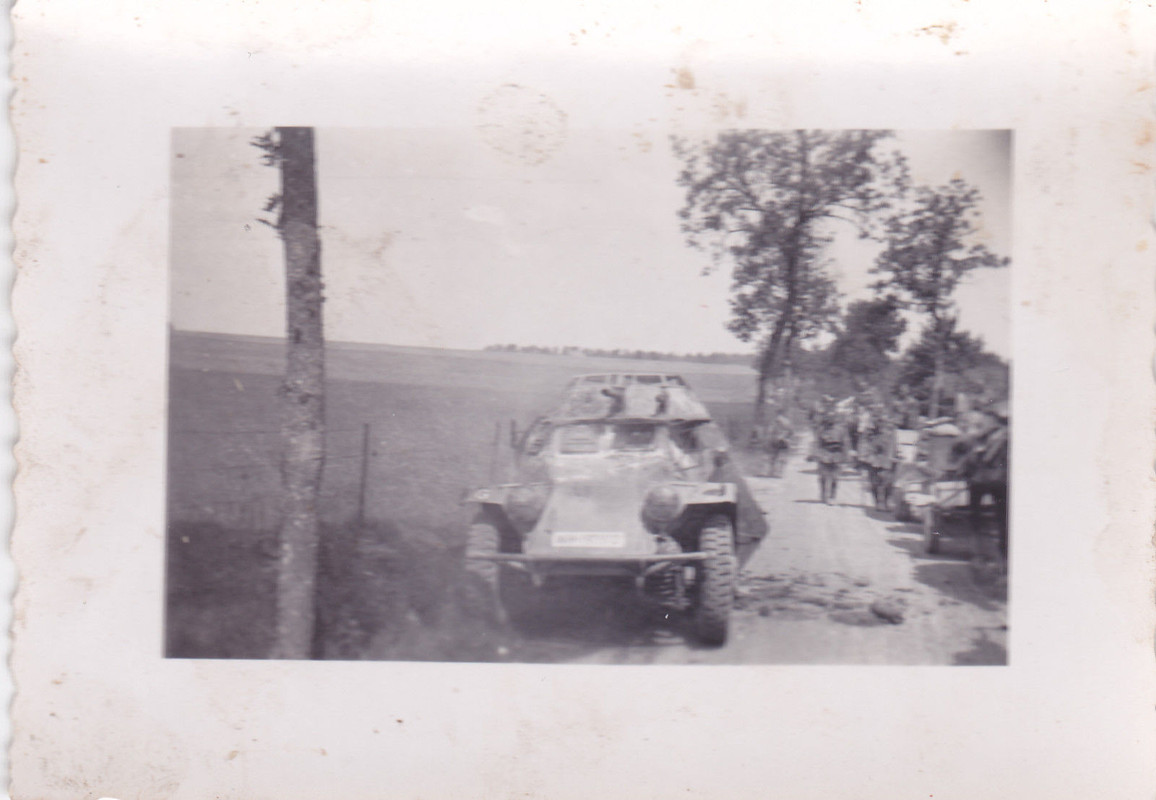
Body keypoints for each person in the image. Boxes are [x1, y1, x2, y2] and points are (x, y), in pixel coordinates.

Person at [951, 401, 1009, 558]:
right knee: (1003, 517)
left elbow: (984, 458)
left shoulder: (992, 435)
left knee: (975, 511)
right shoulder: (1002, 433)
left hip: (985, 479)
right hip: (1004, 482)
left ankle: (976, 545)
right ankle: (1001, 552)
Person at [857, 405, 897, 510]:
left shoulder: (890, 430)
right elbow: (864, 443)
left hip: (886, 457)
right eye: (876, 416)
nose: (878, 420)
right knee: (874, 483)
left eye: (880, 416)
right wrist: (863, 457)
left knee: (887, 482)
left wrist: (893, 456)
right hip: (873, 458)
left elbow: (893, 444)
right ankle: (878, 502)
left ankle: (887, 501)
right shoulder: (869, 430)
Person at [813, 401, 851, 505]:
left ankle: (832, 496)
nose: (830, 420)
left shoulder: (841, 429)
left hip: (836, 454)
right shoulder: (821, 429)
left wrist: (846, 457)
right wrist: (816, 454)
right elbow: (817, 442)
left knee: (835, 477)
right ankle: (823, 493)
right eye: (828, 417)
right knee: (823, 476)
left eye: (832, 417)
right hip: (824, 453)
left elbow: (845, 443)